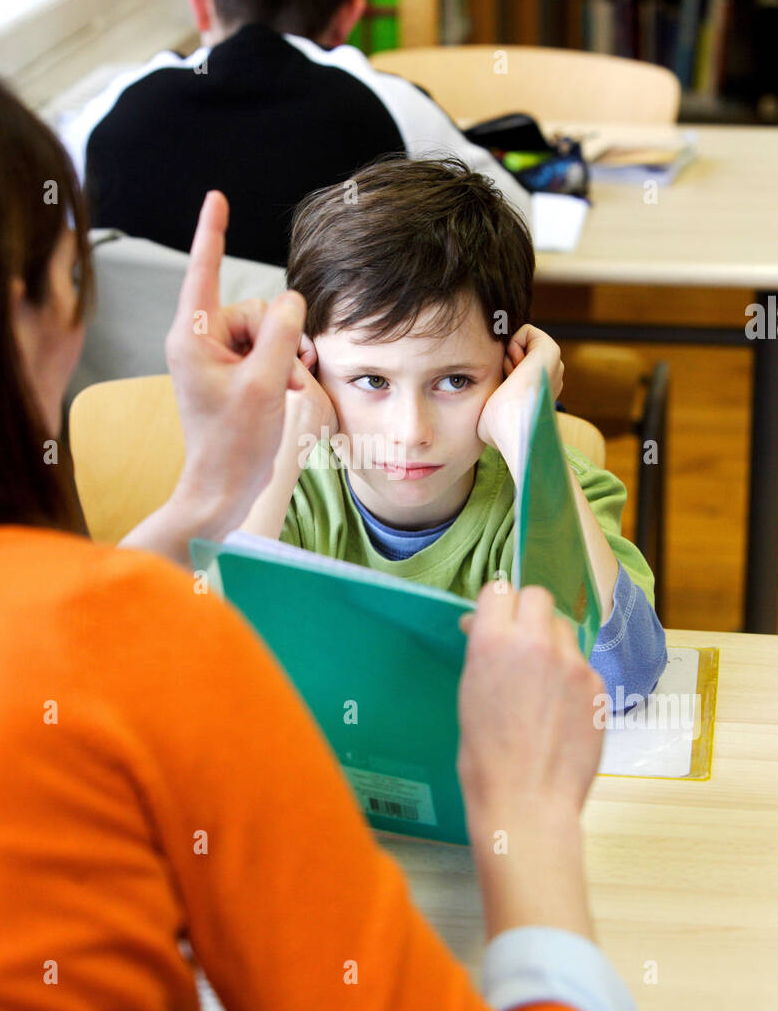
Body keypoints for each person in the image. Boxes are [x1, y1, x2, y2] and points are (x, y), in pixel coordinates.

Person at [0, 48, 633, 1011]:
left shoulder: (92, 631)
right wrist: (523, 806)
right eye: (78, 278)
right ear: (43, 312)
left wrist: (211, 489)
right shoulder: (125, 635)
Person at [243, 156, 667, 706]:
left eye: (455, 381)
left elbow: (620, 678)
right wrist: (287, 441)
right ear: (307, 364)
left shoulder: (552, 491)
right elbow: (202, 665)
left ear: (510, 369)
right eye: (371, 379)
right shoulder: (285, 487)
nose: (411, 432)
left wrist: (529, 434)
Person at [63, 0, 530, 267]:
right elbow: (516, 224)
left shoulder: (103, 120)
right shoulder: (391, 109)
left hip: (143, 371)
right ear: (348, 16)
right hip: (321, 370)